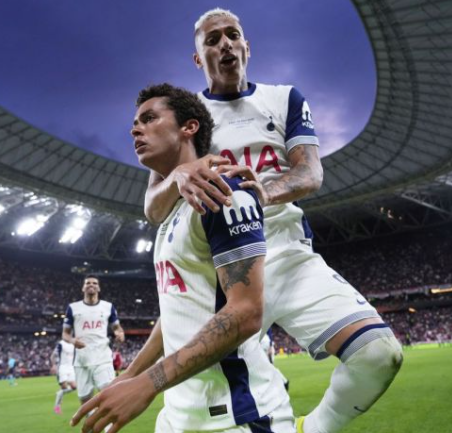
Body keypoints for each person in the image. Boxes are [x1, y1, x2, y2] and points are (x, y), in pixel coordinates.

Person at [142, 9, 403, 433]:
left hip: (290, 256)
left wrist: (264, 191)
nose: (225, 44)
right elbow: (154, 208)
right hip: (227, 275)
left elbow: (310, 173)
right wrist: (178, 175)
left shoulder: (284, 99)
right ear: (197, 58)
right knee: (202, 401)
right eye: (212, 40)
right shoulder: (188, 118)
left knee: (379, 354)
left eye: (233, 35)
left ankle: (309, 429)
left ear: (247, 47)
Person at [71, 84, 294, 433]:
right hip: (177, 416)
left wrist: (148, 384)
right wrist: (131, 375)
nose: (135, 129)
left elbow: (247, 312)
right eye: (134, 123)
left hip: (235, 417)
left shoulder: (224, 193)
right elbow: (178, 311)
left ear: (189, 127)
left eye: (149, 118)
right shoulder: (173, 210)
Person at [62, 275, 125, 420]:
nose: (91, 285)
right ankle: (92, 425)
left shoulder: (108, 307)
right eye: (88, 283)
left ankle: (109, 426)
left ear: (99, 288)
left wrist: (120, 333)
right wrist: (72, 340)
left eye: (95, 283)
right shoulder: (73, 308)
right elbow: (65, 334)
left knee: (109, 393)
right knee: (85, 400)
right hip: (82, 360)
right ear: (83, 288)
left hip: (103, 357)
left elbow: (117, 327)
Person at [50, 339, 76, 414]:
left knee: (74, 387)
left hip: (70, 368)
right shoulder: (60, 346)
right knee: (64, 387)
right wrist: (54, 365)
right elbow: (52, 356)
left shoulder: (73, 345)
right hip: (61, 368)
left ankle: (59, 393)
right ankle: (57, 407)